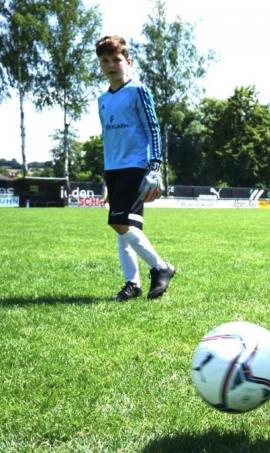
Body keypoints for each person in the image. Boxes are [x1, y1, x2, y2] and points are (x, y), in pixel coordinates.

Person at [95, 36, 175, 301]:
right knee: (125, 229)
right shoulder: (102, 100)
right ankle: (133, 284)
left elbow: (153, 128)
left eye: (116, 59)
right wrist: (106, 179)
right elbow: (107, 138)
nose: (110, 65)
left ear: (127, 61)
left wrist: (155, 167)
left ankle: (161, 267)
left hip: (136, 166)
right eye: (104, 61)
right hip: (114, 169)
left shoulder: (138, 91)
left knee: (118, 222)